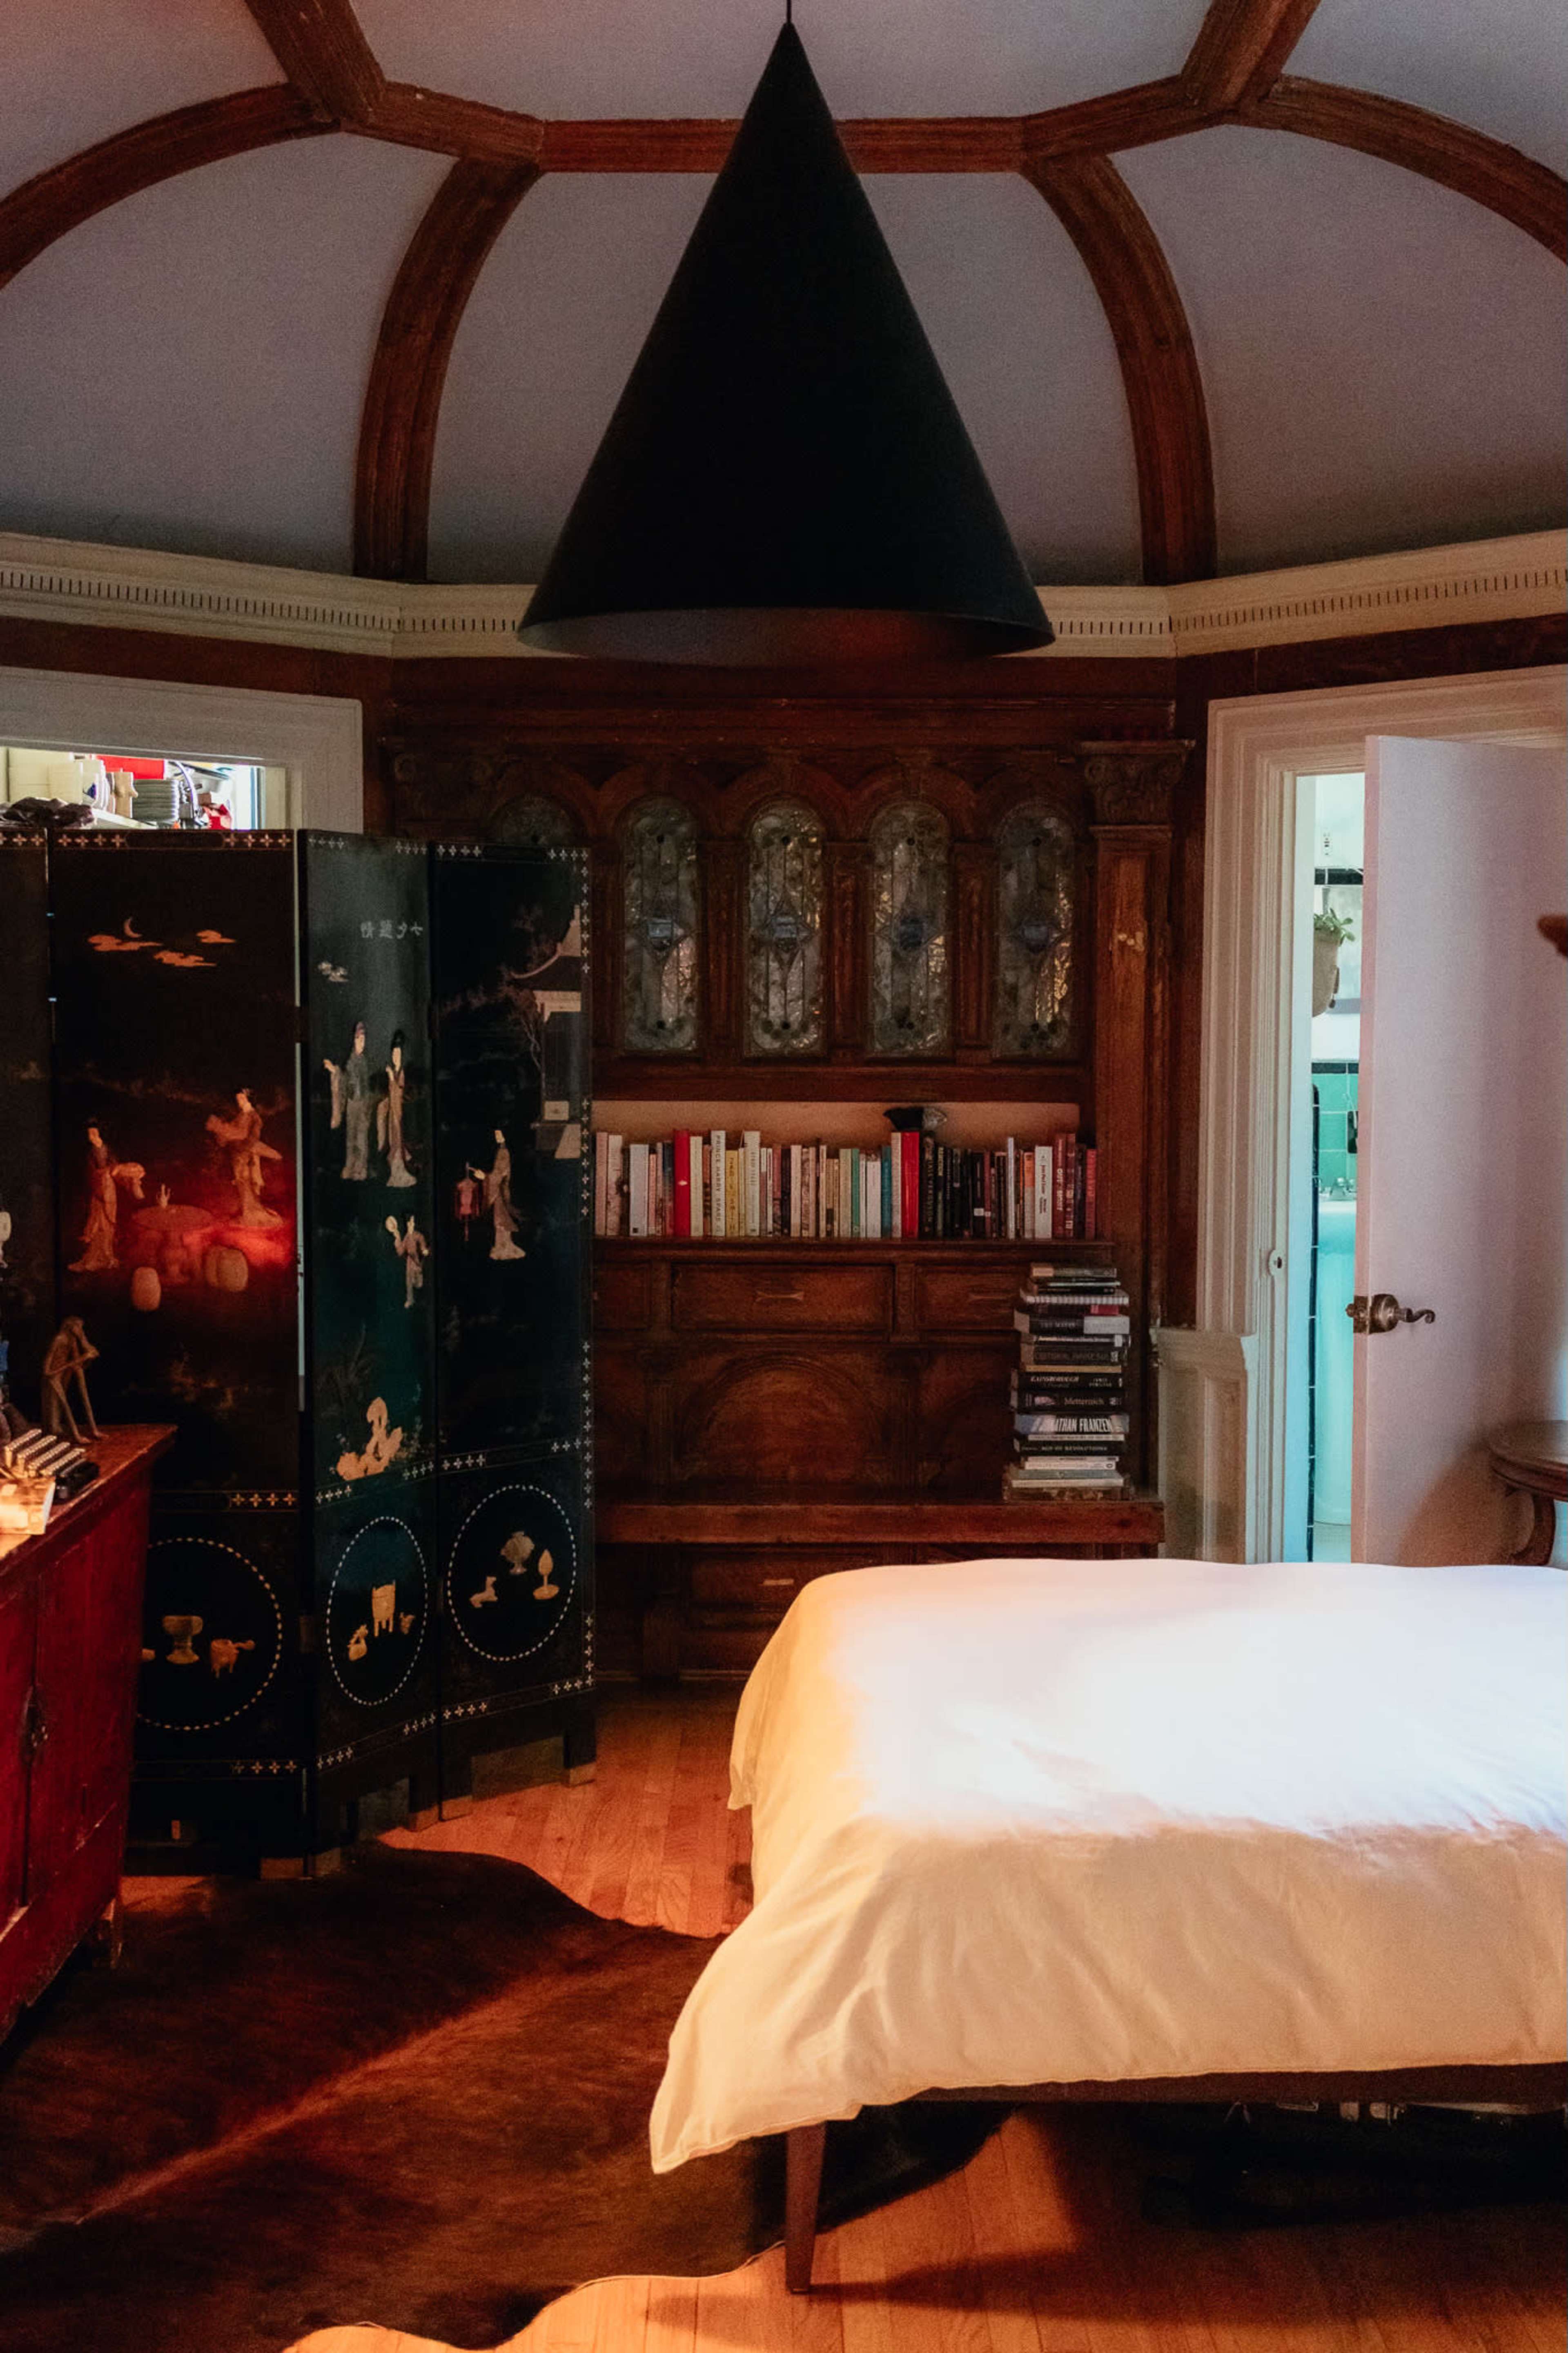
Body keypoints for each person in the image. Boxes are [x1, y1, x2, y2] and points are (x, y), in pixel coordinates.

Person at [69, 1126, 144, 1271]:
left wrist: (123, 1177)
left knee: (108, 1227)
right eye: (89, 1134)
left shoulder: (108, 1151)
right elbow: (91, 1175)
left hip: (109, 1193)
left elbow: (117, 1170)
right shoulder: (90, 1154)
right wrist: (101, 1178)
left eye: (94, 1133)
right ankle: (93, 1259)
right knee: (97, 1225)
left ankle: (107, 1257)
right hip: (99, 1193)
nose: (91, 1136)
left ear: (99, 1134)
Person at [205, 1090, 283, 1227]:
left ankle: (253, 1216)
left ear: (250, 1100)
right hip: (238, 1155)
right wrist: (222, 1133)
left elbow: (242, 1134)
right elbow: (232, 1131)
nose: (239, 1101)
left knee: (245, 1183)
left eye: (242, 1098)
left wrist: (219, 1127)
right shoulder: (242, 1115)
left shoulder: (253, 1117)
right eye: (238, 1099)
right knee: (242, 1184)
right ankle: (249, 1215)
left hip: (246, 1156)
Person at [324, 1020, 372, 1180]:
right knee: (351, 1138)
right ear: (354, 1040)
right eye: (359, 1040)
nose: (362, 1043)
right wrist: (335, 1070)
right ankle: (350, 1168)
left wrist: (367, 1104)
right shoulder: (351, 1061)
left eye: (364, 1040)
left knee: (361, 1139)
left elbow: (367, 1085)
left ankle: (360, 1169)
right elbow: (344, 1081)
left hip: (363, 1104)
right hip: (353, 1104)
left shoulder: (365, 1062)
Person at [481, 1129, 526, 1261]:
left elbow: (499, 1174)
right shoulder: (501, 1152)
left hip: (501, 1191)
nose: (497, 1137)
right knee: (499, 1222)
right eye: (496, 1135)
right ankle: (501, 1247)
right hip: (501, 1190)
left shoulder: (504, 1153)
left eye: (499, 1135)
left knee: (502, 1221)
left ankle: (506, 1248)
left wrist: (485, 1178)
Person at [379, 1030, 415, 1187]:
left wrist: (392, 1079)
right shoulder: (394, 1071)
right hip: (394, 1112)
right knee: (393, 1140)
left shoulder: (402, 1074)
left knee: (399, 1141)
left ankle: (401, 1172)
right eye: (394, 1053)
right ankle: (395, 1172)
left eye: (398, 1054)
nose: (395, 1057)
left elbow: (400, 1091)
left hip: (401, 1113)